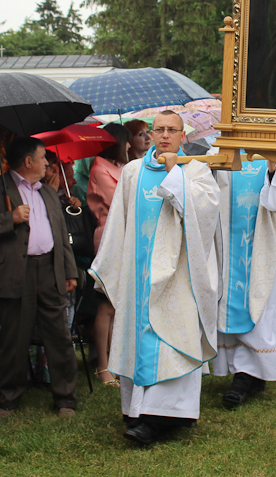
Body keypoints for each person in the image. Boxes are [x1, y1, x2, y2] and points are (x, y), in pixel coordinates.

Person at [90, 111, 220, 446]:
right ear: (149, 134)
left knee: (172, 340)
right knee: (141, 340)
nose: (164, 136)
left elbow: (205, 216)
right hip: (139, 273)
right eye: (158, 130)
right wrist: (111, 264)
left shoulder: (196, 170)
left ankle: (163, 416)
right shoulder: (133, 171)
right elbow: (119, 221)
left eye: (171, 130)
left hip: (177, 276)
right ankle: (137, 411)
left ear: (182, 135)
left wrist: (174, 173)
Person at [0, 137, 79, 417]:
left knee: (59, 335)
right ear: (28, 162)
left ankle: (65, 399)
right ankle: (9, 398)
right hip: (16, 272)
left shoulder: (48, 193)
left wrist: (69, 270)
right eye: (42, 158)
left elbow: (61, 235)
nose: (47, 163)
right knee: (14, 336)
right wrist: (8, 219)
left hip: (49, 269)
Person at [212, 152, 276, 407]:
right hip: (226, 248)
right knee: (228, 304)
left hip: (262, 250)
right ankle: (246, 372)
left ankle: (246, 377)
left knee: (260, 309)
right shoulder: (223, 155)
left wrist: (274, 172)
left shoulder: (275, 155)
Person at [84, 122, 131, 385]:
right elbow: (121, 201)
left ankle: (116, 362)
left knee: (118, 304)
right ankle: (103, 366)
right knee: (107, 302)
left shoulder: (123, 167)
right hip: (109, 239)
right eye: (126, 141)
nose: (129, 146)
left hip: (127, 238)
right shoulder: (100, 168)